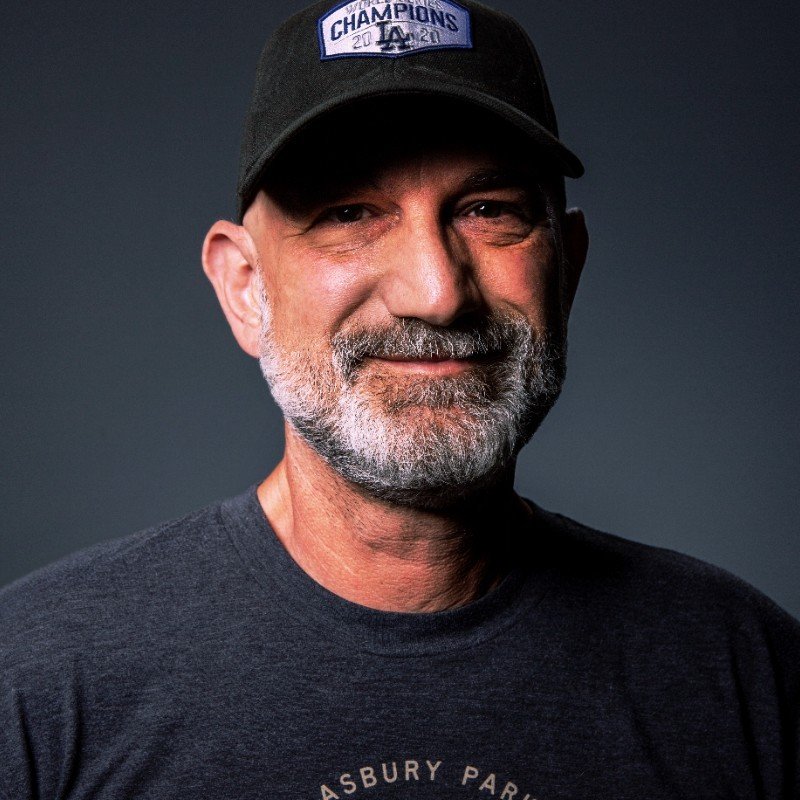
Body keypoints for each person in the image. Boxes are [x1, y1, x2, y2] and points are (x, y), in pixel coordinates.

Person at [1, 0, 798, 796]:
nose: (436, 293)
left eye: (490, 211)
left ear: (568, 268)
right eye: (349, 213)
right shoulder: (37, 687)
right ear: (246, 289)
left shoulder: (745, 674)